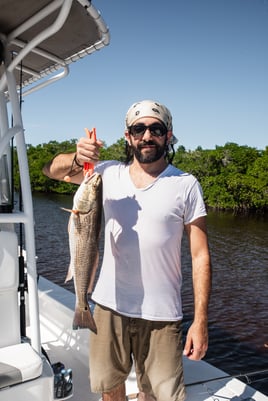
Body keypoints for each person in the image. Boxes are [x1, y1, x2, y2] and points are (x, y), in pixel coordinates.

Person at [43, 100, 212, 401]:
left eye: (156, 129)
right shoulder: (104, 174)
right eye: (139, 129)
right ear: (128, 136)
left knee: (159, 395)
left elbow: (200, 256)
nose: (147, 135)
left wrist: (200, 322)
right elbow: (50, 171)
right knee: (110, 388)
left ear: (168, 135)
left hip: (163, 314)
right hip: (108, 307)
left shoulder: (186, 184)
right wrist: (76, 157)